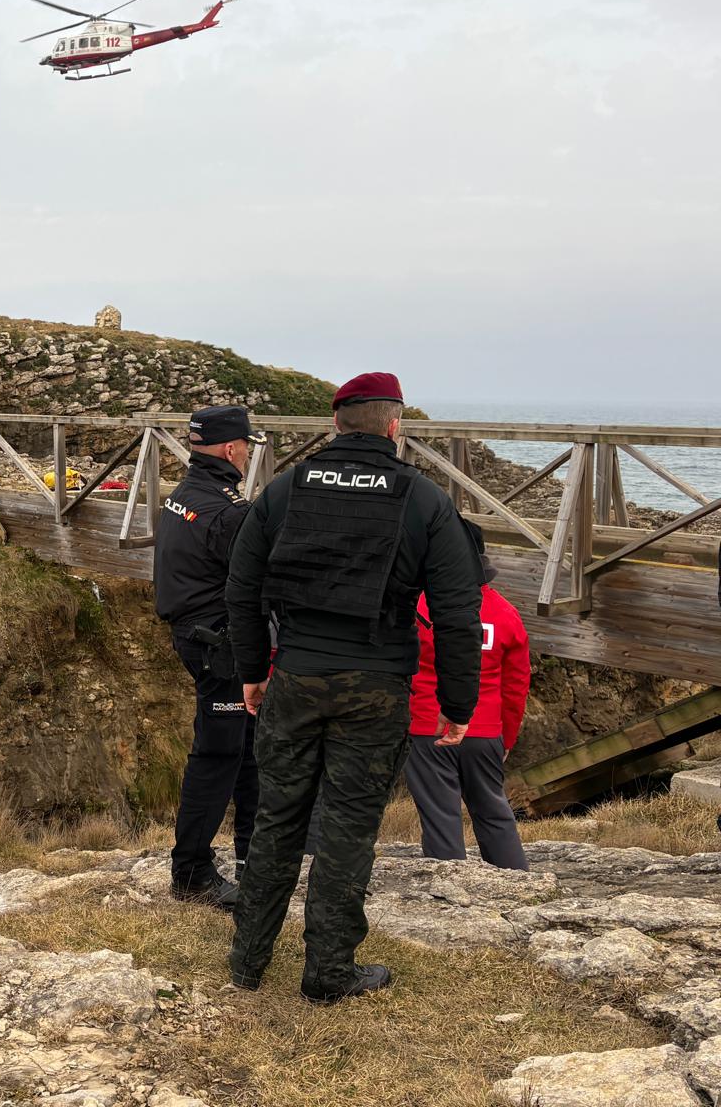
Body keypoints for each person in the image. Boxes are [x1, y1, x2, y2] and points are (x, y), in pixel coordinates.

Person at [223, 372, 483, 1004]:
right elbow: (456, 610)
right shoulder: (422, 499)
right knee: (347, 827)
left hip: (295, 678)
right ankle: (328, 973)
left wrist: (254, 673)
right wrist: (457, 705)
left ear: (334, 424)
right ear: (395, 426)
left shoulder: (285, 488)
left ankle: (247, 964)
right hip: (376, 686)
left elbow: (243, 589)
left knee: (277, 819)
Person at [153, 405, 265, 910]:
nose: (247, 453)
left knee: (243, 745)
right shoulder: (228, 510)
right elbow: (262, 581)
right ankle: (192, 871)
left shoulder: (187, 494)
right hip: (218, 645)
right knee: (219, 752)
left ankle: (250, 856)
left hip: (193, 633)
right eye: (246, 444)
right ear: (229, 448)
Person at [405, 526, 531, 869]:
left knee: (440, 814)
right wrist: (508, 736)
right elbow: (516, 685)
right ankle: (517, 881)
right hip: (487, 728)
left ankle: (451, 891)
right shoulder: (506, 613)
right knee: (493, 811)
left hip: (428, 725)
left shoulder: (419, 607)